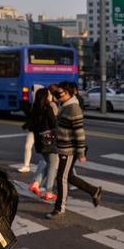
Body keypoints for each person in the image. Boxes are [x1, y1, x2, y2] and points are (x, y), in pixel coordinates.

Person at [46, 81, 102, 219]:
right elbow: (64, 127)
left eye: (61, 92)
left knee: (61, 178)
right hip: (64, 147)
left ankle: (59, 208)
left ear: (69, 93)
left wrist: (81, 153)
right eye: (57, 92)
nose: (58, 95)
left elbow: (79, 133)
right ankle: (94, 191)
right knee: (68, 176)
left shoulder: (73, 108)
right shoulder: (65, 106)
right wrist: (53, 132)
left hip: (69, 149)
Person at [28, 86, 60, 202]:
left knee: (48, 163)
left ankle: (36, 184)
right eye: (49, 94)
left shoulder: (34, 108)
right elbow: (54, 124)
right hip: (49, 141)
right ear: (45, 97)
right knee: (53, 165)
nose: (51, 95)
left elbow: (30, 126)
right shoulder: (48, 108)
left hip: (39, 142)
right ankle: (49, 192)